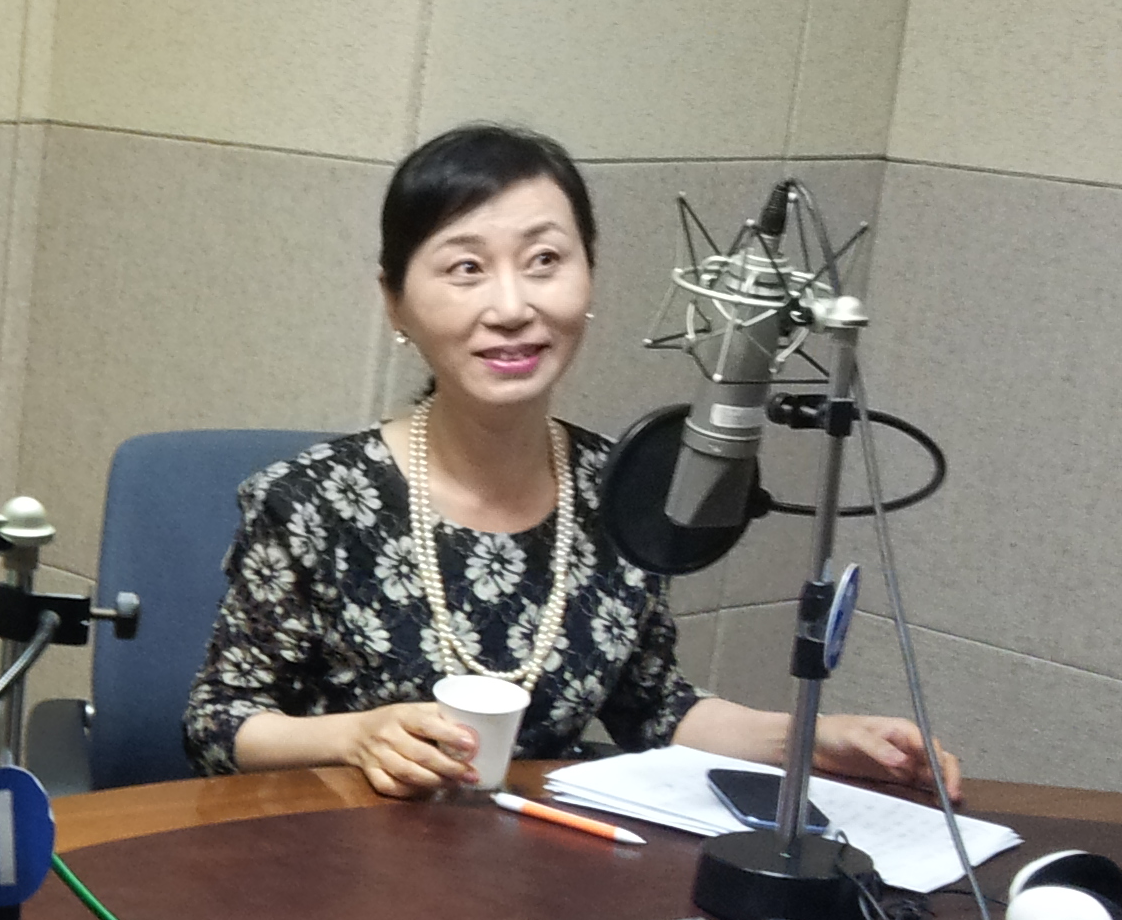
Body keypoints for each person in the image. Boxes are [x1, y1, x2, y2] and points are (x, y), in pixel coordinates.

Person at [182, 123, 960, 802]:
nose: (512, 307)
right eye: (466, 269)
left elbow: (654, 710)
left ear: (589, 276)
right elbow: (220, 723)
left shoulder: (624, 490)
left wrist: (813, 739)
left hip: (537, 867)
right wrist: (356, 736)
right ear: (395, 302)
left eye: (545, 260)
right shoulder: (308, 503)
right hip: (334, 856)